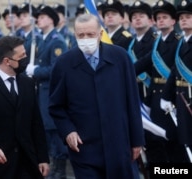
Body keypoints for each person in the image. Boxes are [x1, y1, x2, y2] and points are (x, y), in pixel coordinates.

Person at [48, 13, 145, 179]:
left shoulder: (120, 57)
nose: (86, 39)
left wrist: (137, 140)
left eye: (90, 34)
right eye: (81, 35)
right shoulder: (64, 63)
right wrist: (68, 131)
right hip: (84, 147)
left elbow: (132, 101)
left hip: (119, 143)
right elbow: (56, 106)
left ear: (100, 34)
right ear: (75, 35)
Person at [0, 36, 50, 179]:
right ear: (7, 61)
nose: (26, 58)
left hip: (27, 163)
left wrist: (43, 158)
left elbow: (36, 123)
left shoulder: (27, 83)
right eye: (22, 56)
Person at [134, 0, 188, 165]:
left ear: (173, 21)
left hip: (172, 99)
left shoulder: (179, 41)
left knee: (175, 144)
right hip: (156, 98)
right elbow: (142, 64)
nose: (161, 20)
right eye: (158, 18)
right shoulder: (157, 43)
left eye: (165, 17)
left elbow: (176, 72)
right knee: (156, 143)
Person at [26, 5, 68, 179]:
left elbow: (56, 69)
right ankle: (50, 166)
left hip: (50, 92)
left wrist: (35, 71)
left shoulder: (57, 40)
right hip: (39, 92)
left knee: (53, 130)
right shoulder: (39, 40)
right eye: (38, 17)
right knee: (43, 130)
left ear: (51, 19)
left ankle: (60, 169)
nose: (38, 20)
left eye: (42, 17)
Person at [161, 0, 192, 163]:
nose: (184, 20)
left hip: (190, 99)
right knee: (186, 144)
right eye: (182, 17)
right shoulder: (182, 42)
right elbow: (175, 71)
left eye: (188, 16)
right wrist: (165, 96)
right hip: (182, 100)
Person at [128, 0, 157, 101]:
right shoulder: (131, 43)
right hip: (135, 92)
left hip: (151, 91)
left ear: (150, 20)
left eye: (141, 16)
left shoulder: (156, 40)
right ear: (131, 23)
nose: (137, 19)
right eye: (134, 17)